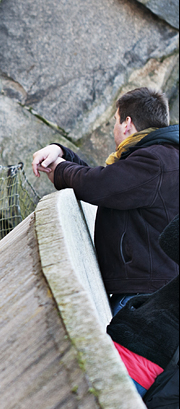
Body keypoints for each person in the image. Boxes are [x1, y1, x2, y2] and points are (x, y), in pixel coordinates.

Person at [32, 87, 179, 315]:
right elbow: (108, 181)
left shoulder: (157, 160)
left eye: (115, 121)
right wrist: (60, 152)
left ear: (127, 123)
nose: (114, 129)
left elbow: (100, 186)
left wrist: (60, 168)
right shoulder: (162, 156)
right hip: (148, 289)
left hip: (143, 296)